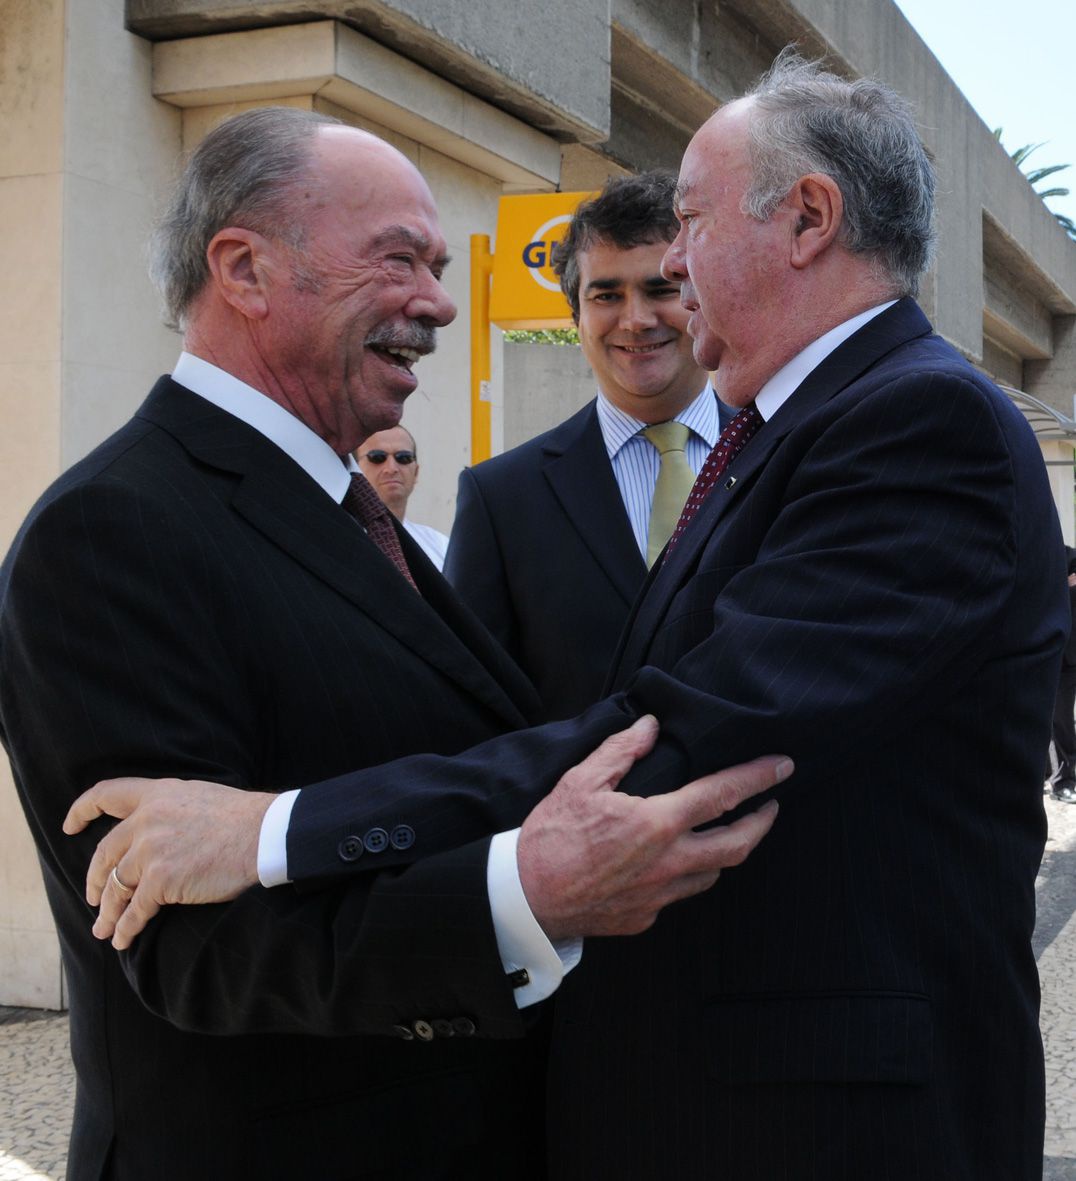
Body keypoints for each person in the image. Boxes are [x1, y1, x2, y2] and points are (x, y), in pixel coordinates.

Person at [64, 52, 1066, 1179]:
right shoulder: (787, 432)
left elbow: (681, 734)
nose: (672, 264)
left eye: (686, 222)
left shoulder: (917, 423)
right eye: (401, 257)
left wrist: (267, 829)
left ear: (808, 218)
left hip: (826, 1123)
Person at [0, 106, 786, 1180]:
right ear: (243, 267)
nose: (440, 301)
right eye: (399, 260)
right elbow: (194, 954)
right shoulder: (109, 533)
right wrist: (527, 891)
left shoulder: (341, 510)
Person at [446, 171, 729, 719]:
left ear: (701, 297)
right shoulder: (500, 499)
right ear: (576, 317)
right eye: (606, 295)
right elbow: (473, 704)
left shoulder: (784, 453)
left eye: (660, 289)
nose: (636, 319)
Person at [356, 424, 449, 569]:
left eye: (403, 458)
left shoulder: (441, 546)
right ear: (355, 468)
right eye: (377, 457)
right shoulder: (340, 538)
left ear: (416, 472)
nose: (392, 468)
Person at [1048, 546, 1076, 802]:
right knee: (1061, 721)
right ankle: (1061, 781)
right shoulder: (1056, 556)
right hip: (1057, 656)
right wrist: (1063, 584)